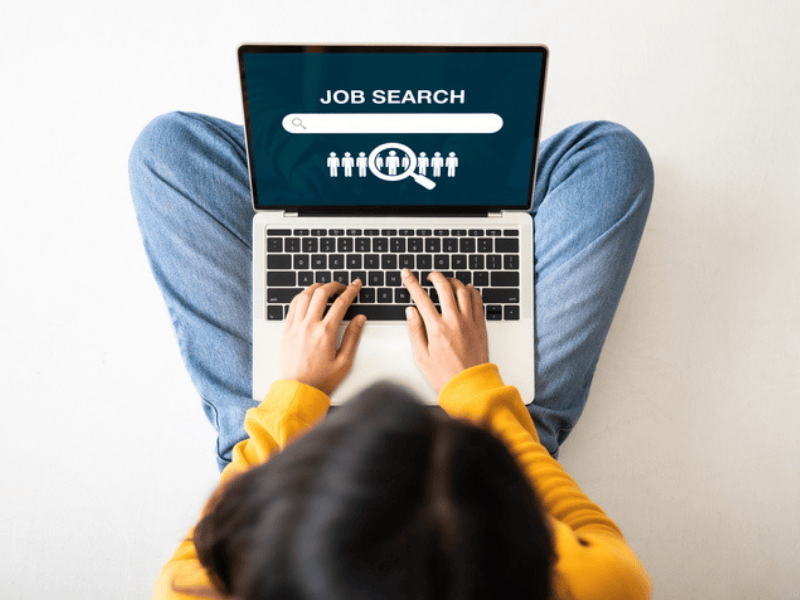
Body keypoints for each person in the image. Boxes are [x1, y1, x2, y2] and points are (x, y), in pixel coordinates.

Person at [129, 113, 654, 599]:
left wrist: (291, 395)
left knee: (167, 147)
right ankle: (421, 177)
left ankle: (371, 176)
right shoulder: (591, 585)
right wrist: (475, 388)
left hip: (291, 467)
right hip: (490, 455)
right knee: (609, 158)